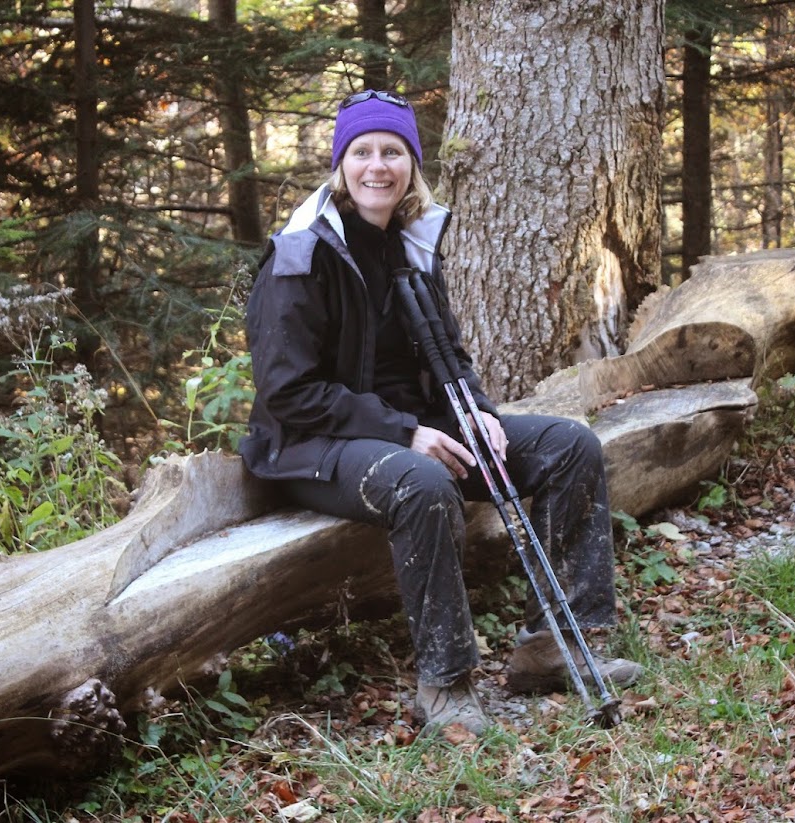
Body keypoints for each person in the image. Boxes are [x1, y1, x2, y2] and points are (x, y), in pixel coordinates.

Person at [239, 89, 642, 735]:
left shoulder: (409, 246)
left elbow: (448, 353)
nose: (378, 166)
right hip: (312, 445)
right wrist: (405, 432)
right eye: (362, 151)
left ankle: (551, 646)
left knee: (570, 446)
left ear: (411, 166)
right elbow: (287, 392)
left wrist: (476, 412)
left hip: (411, 431)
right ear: (340, 164)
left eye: (392, 152)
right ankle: (445, 683)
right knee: (422, 483)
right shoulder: (299, 255)